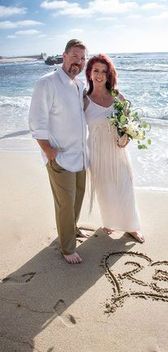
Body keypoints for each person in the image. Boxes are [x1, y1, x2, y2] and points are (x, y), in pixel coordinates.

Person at [29, 39, 88, 264]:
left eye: (82, 58)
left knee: (77, 198)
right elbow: (36, 119)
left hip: (81, 154)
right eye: (74, 56)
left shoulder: (79, 85)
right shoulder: (47, 83)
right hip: (60, 156)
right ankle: (67, 248)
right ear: (64, 56)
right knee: (65, 202)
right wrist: (48, 150)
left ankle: (71, 230)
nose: (79, 62)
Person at [84, 54, 144, 243]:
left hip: (118, 150)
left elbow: (129, 126)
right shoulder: (84, 99)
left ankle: (132, 227)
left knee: (125, 186)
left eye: (104, 71)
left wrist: (125, 139)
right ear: (90, 73)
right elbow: (73, 126)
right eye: (96, 71)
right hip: (96, 151)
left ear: (109, 74)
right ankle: (109, 222)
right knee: (105, 189)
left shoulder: (118, 97)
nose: (100, 75)